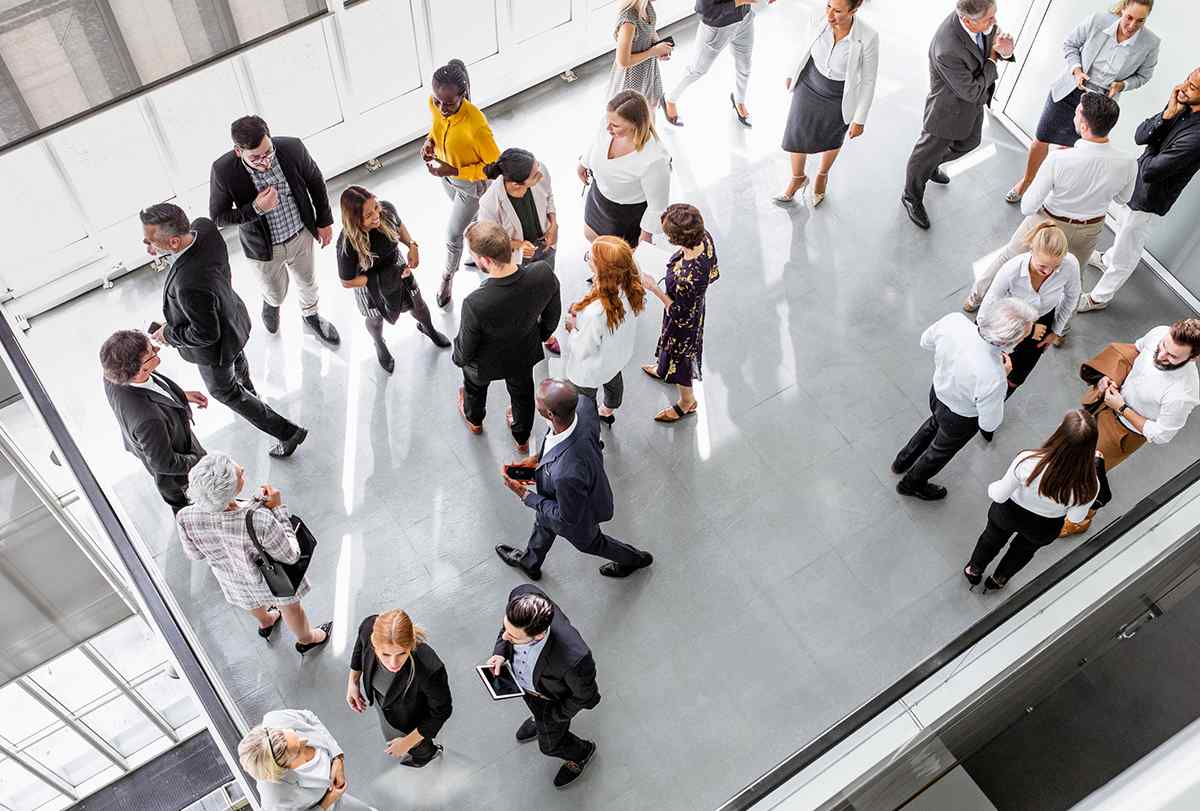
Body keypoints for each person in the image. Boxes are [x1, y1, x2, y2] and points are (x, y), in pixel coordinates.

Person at [140, 203, 308, 459]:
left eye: (150, 242)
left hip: (214, 349)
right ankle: (250, 393)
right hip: (233, 318)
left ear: (173, 242)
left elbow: (205, 334)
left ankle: (287, 432)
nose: (148, 248)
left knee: (225, 391)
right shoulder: (204, 228)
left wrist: (168, 334)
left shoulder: (188, 284)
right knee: (238, 362)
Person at [966, 92, 1132, 311]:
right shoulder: (1128, 162)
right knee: (1073, 278)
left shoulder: (1059, 158)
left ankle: (975, 298)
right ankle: (1060, 326)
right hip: (1089, 231)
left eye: (1076, 113)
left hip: (1048, 223)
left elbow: (1028, 206)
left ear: (1083, 125)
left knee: (1009, 256)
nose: (1073, 116)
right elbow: (1123, 199)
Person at [496, 379, 653, 580]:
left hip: (577, 515)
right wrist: (538, 459)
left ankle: (636, 559)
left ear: (551, 414)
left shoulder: (566, 474)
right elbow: (565, 440)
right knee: (543, 523)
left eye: (539, 405)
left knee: (592, 543)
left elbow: (566, 517)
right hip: (565, 492)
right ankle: (530, 563)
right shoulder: (585, 406)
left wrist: (525, 495)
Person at [176, 452, 331, 655]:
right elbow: (292, 555)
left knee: (248, 602)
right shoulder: (259, 520)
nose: (241, 468)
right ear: (229, 490)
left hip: (232, 579)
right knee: (290, 608)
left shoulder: (185, 517)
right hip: (270, 581)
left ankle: (266, 621)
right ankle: (307, 639)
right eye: (237, 474)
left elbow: (196, 555)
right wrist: (278, 509)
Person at [1006, 1, 1159, 203]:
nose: (1131, 26)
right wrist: (1077, 69)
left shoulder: (1150, 43)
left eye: (1140, 21)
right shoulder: (1098, 20)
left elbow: (1144, 76)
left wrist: (1122, 85)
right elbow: (1070, 44)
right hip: (1069, 91)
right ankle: (1027, 181)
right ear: (1122, 8)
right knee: (1041, 138)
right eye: (1129, 18)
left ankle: (1049, 193)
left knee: (1072, 153)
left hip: (1099, 106)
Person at [209, 116, 340, 345]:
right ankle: (271, 304)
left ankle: (311, 316)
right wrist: (256, 208)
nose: (266, 161)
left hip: (300, 233)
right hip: (263, 249)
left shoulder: (292, 147)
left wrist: (324, 220)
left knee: (308, 282)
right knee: (276, 292)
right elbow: (218, 217)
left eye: (268, 151)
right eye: (256, 158)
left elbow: (315, 180)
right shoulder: (223, 170)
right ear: (239, 152)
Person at [1063, 320, 1200, 536]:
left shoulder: (1183, 395)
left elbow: (1161, 434)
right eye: (1163, 346)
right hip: (1105, 403)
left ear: (1194, 358)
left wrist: (1122, 407)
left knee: (1088, 471)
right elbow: (1135, 350)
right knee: (1071, 449)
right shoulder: (1160, 332)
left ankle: (1082, 517)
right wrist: (1108, 379)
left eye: (1173, 356)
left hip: (1123, 430)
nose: (1162, 355)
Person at [1079, 67, 1200, 312]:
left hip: (1151, 198)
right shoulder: (1180, 108)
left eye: (1194, 87)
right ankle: (1106, 260)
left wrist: (1152, 148)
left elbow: (1152, 170)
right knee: (1122, 229)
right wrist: (1167, 114)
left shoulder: (1197, 135)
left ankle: (1099, 298)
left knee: (1128, 250)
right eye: (1188, 78)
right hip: (1136, 187)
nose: (1184, 86)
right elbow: (1140, 136)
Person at [892, 299, 1038, 501]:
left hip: (938, 392)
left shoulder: (954, 321)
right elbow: (989, 423)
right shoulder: (994, 375)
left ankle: (902, 460)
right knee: (939, 451)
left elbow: (925, 341)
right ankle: (912, 484)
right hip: (960, 418)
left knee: (933, 422)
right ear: (1006, 342)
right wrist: (1004, 377)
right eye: (1023, 337)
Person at [964, 410, 1109, 592]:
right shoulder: (1089, 484)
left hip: (1009, 513)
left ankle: (975, 570)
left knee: (990, 540)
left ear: (1059, 433)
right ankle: (999, 579)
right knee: (1022, 553)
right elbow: (1075, 518)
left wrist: (991, 486)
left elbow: (999, 495)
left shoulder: (1028, 460)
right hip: (1045, 527)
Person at [902, 0, 1016, 230]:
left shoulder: (982, 20)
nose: (995, 22)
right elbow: (971, 90)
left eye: (994, 15)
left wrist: (1005, 52)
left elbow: (993, 46)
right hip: (947, 110)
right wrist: (994, 60)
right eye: (989, 19)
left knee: (971, 142)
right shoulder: (947, 47)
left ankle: (932, 166)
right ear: (967, 21)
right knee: (923, 156)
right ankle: (911, 196)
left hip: (973, 103)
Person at [451, 221, 561, 454]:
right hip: (522, 353)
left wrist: (457, 357)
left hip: (483, 364)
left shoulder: (475, 303)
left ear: (486, 261)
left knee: (474, 388)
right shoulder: (542, 273)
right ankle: (521, 437)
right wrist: (539, 335)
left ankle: (475, 421)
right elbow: (553, 313)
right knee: (522, 394)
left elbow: (466, 350)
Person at [484, 585, 601, 789]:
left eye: (513, 637)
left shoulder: (574, 660)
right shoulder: (522, 596)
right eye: (506, 627)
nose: (504, 637)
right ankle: (538, 720)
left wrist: (555, 715)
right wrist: (501, 652)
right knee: (535, 710)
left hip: (552, 701)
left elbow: (588, 696)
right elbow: (506, 630)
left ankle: (582, 752)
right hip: (531, 689)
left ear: (538, 635)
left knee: (550, 746)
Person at [774, 0, 879, 206]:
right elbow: (803, 43)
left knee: (831, 136)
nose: (830, 15)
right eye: (828, 6)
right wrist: (791, 71)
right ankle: (798, 178)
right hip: (809, 82)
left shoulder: (868, 37)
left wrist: (860, 119)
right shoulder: (818, 16)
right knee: (797, 132)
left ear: (854, 10)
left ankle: (822, 175)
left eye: (838, 11)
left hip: (838, 95)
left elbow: (868, 80)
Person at [336, 186, 449, 374]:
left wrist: (412, 245)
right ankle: (379, 343)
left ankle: (428, 328)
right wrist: (380, 280)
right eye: (368, 215)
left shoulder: (386, 210)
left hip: (398, 267)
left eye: (376, 207)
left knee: (417, 303)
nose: (376, 216)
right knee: (375, 319)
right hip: (368, 283)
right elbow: (347, 281)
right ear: (355, 220)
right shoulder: (347, 244)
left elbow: (399, 225)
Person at [421, 59, 502, 309]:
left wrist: (456, 169)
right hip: (445, 176)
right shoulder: (435, 103)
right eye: (437, 100)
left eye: (449, 103)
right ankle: (478, 251)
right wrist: (429, 143)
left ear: (462, 95)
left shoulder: (476, 126)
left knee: (453, 234)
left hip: (469, 184)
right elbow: (437, 127)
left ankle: (447, 277)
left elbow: (495, 169)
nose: (441, 107)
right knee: (472, 221)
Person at [100, 330, 207, 514]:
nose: (157, 349)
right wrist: (199, 461)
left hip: (167, 436)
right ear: (142, 370)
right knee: (194, 510)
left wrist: (181, 396)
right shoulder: (149, 420)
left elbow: (153, 388)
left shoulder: (114, 374)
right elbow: (164, 464)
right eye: (152, 352)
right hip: (181, 477)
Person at [976, 223, 1081, 399]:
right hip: (1008, 321)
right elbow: (985, 311)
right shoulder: (1011, 270)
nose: (1048, 272)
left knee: (1017, 375)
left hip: (1042, 321)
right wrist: (1028, 330)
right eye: (1043, 266)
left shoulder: (1070, 265)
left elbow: (1071, 297)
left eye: (1055, 267)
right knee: (987, 368)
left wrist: (1056, 330)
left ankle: (999, 400)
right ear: (1031, 249)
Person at [639, 204, 719, 422]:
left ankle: (687, 401)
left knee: (681, 357)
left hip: (684, 322)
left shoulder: (689, 277)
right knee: (668, 344)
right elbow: (713, 272)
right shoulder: (705, 238)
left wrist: (654, 288)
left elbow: (678, 313)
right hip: (693, 307)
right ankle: (664, 367)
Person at [478, 148, 561, 353]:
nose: (540, 173)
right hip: (517, 258)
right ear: (516, 184)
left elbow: (549, 197)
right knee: (521, 297)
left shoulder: (541, 172)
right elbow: (488, 239)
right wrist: (517, 246)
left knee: (545, 288)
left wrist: (553, 223)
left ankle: (546, 332)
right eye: (534, 174)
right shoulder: (489, 203)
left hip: (545, 245)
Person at [346, 609, 451, 768]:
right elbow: (359, 650)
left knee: (419, 746)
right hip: (387, 705)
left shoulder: (429, 669)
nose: (393, 663)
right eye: (385, 655)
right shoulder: (369, 627)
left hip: (412, 720)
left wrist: (407, 743)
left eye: (402, 653)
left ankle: (426, 754)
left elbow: (442, 711)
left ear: (411, 644)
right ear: (374, 644)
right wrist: (353, 682)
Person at [563, 237, 647, 425]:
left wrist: (572, 327)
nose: (588, 260)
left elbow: (583, 350)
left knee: (584, 398)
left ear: (604, 271)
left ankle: (590, 424)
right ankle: (608, 409)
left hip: (591, 367)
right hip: (618, 355)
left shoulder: (596, 313)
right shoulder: (633, 280)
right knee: (613, 380)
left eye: (589, 258)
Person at [578, 91, 672, 248]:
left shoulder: (654, 159)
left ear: (635, 124)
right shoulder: (608, 124)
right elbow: (596, 143)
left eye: (615, 125)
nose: (607, 127)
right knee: (591, 235)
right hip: (598, 197)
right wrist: (583, 163)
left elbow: (657, 207)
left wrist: (645, 238)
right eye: (608, 121)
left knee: (619, 254)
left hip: (626, 215)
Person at [663, 0, 777, 128]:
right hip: (717, 28)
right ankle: (670, 99)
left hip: (745, 19)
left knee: (745, 66)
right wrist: (740, 1)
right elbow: (704, 9)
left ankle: (739, 101)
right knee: (697, 70)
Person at [239, 710, 376, 810]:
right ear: (284, 768)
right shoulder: (275, 798)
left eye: (294, 733)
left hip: (343, 803)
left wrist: (337, 757)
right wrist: (326, 803)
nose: (305, 740)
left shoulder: (276, 719)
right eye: (297, 751)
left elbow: (309, 717)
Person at [609, 0, 672, 114]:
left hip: (649, 69)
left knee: (650, 107)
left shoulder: (646, 6)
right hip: (632, 77)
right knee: (633, 114)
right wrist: (653, 51)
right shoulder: (628, 22)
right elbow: (623, 61)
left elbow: (650, 30)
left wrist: (659, 46)